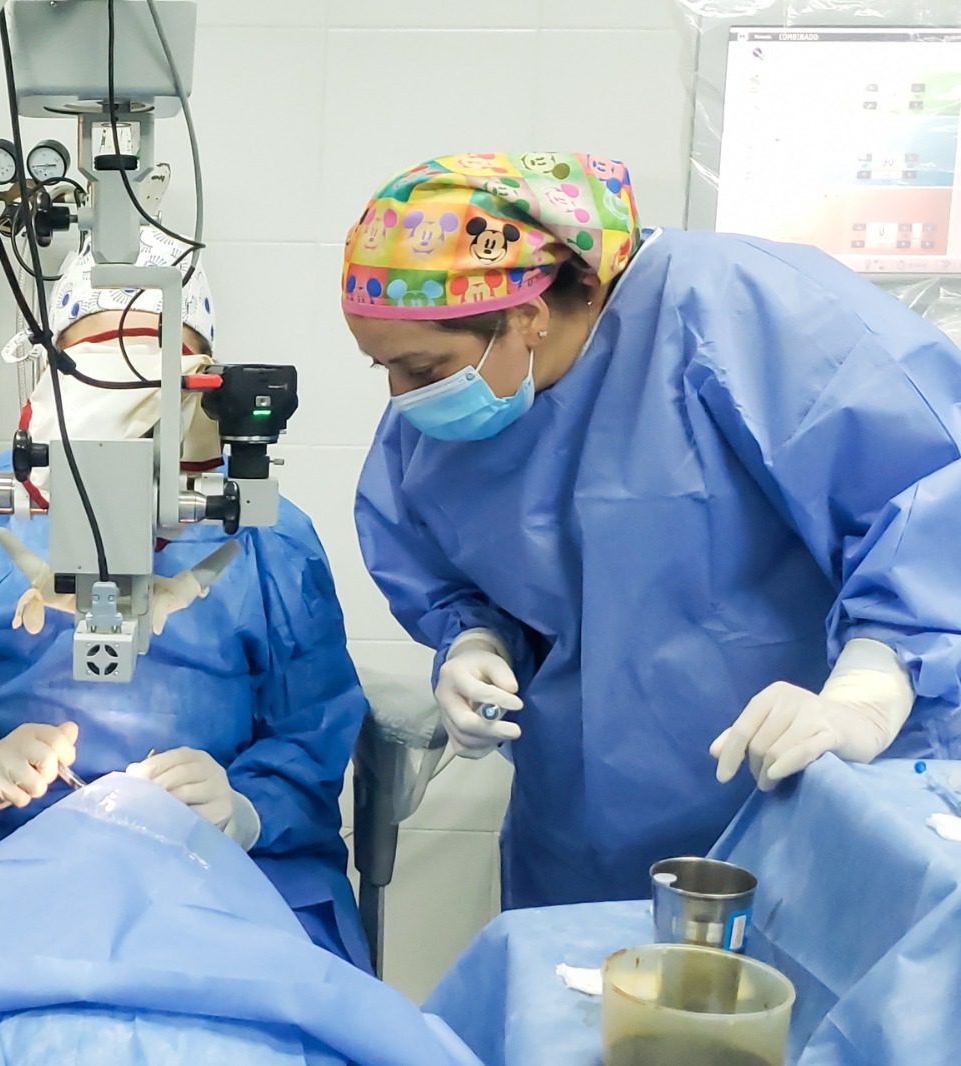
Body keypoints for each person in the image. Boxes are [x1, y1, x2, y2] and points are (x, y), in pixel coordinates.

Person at [342, 152, 961, 909]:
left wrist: (864, 694)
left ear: (526, 317)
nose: (404, 399)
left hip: (814, 796)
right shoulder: (446, 413)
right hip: (582, 829)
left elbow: (930, 501)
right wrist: (477, 641)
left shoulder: (744, 315)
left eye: (420, 366)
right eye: (385, 370)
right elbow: (454, 567)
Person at [0, 229, 373, 969]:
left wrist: (245, 808)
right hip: (5, 873)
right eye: (101, 389)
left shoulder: (265, 537)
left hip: (227, 883)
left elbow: (313, 732)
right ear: (53, 388)